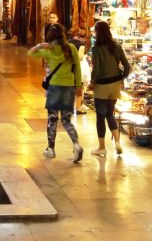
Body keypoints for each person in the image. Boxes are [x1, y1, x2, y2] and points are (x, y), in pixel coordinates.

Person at [29, 23, 83, 162]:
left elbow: (30, 53)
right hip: (69, 87)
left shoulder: (49, 51)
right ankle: (76, 145)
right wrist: (78, 86)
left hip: (54, 88)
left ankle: (51, 149)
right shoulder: (71, 48)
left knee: (52, 119)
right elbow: (77, 68)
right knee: (66, 120)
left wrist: (41, 45)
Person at [89, 20, 131, 157]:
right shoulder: (116, 46)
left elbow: (96, 69)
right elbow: (127, 66)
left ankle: (102, 147)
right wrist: (122, 78)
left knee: (100, 116)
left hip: (102, 84)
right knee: (110, 113)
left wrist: (92, 82)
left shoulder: (96, 49)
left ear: (97, 32)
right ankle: (117, 143)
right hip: (115, 84)